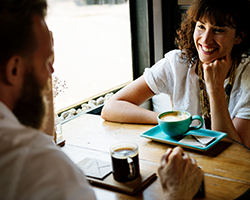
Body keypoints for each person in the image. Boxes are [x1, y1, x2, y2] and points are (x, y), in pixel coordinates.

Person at [0, 0, 203, 199]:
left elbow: (43, 139)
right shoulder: (47, 170)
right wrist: (177, 194)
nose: (51, 74)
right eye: (46, 62)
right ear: (14, 70)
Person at [101, 0, 250, 148]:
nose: (205, 39)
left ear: (239, 36)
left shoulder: (247, 75)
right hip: (183, 160)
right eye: (201, 26)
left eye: (218, 30)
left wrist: (215, 88)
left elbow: (239, 150)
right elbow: (111, 107)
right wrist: (171, 122)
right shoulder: (178, 63)